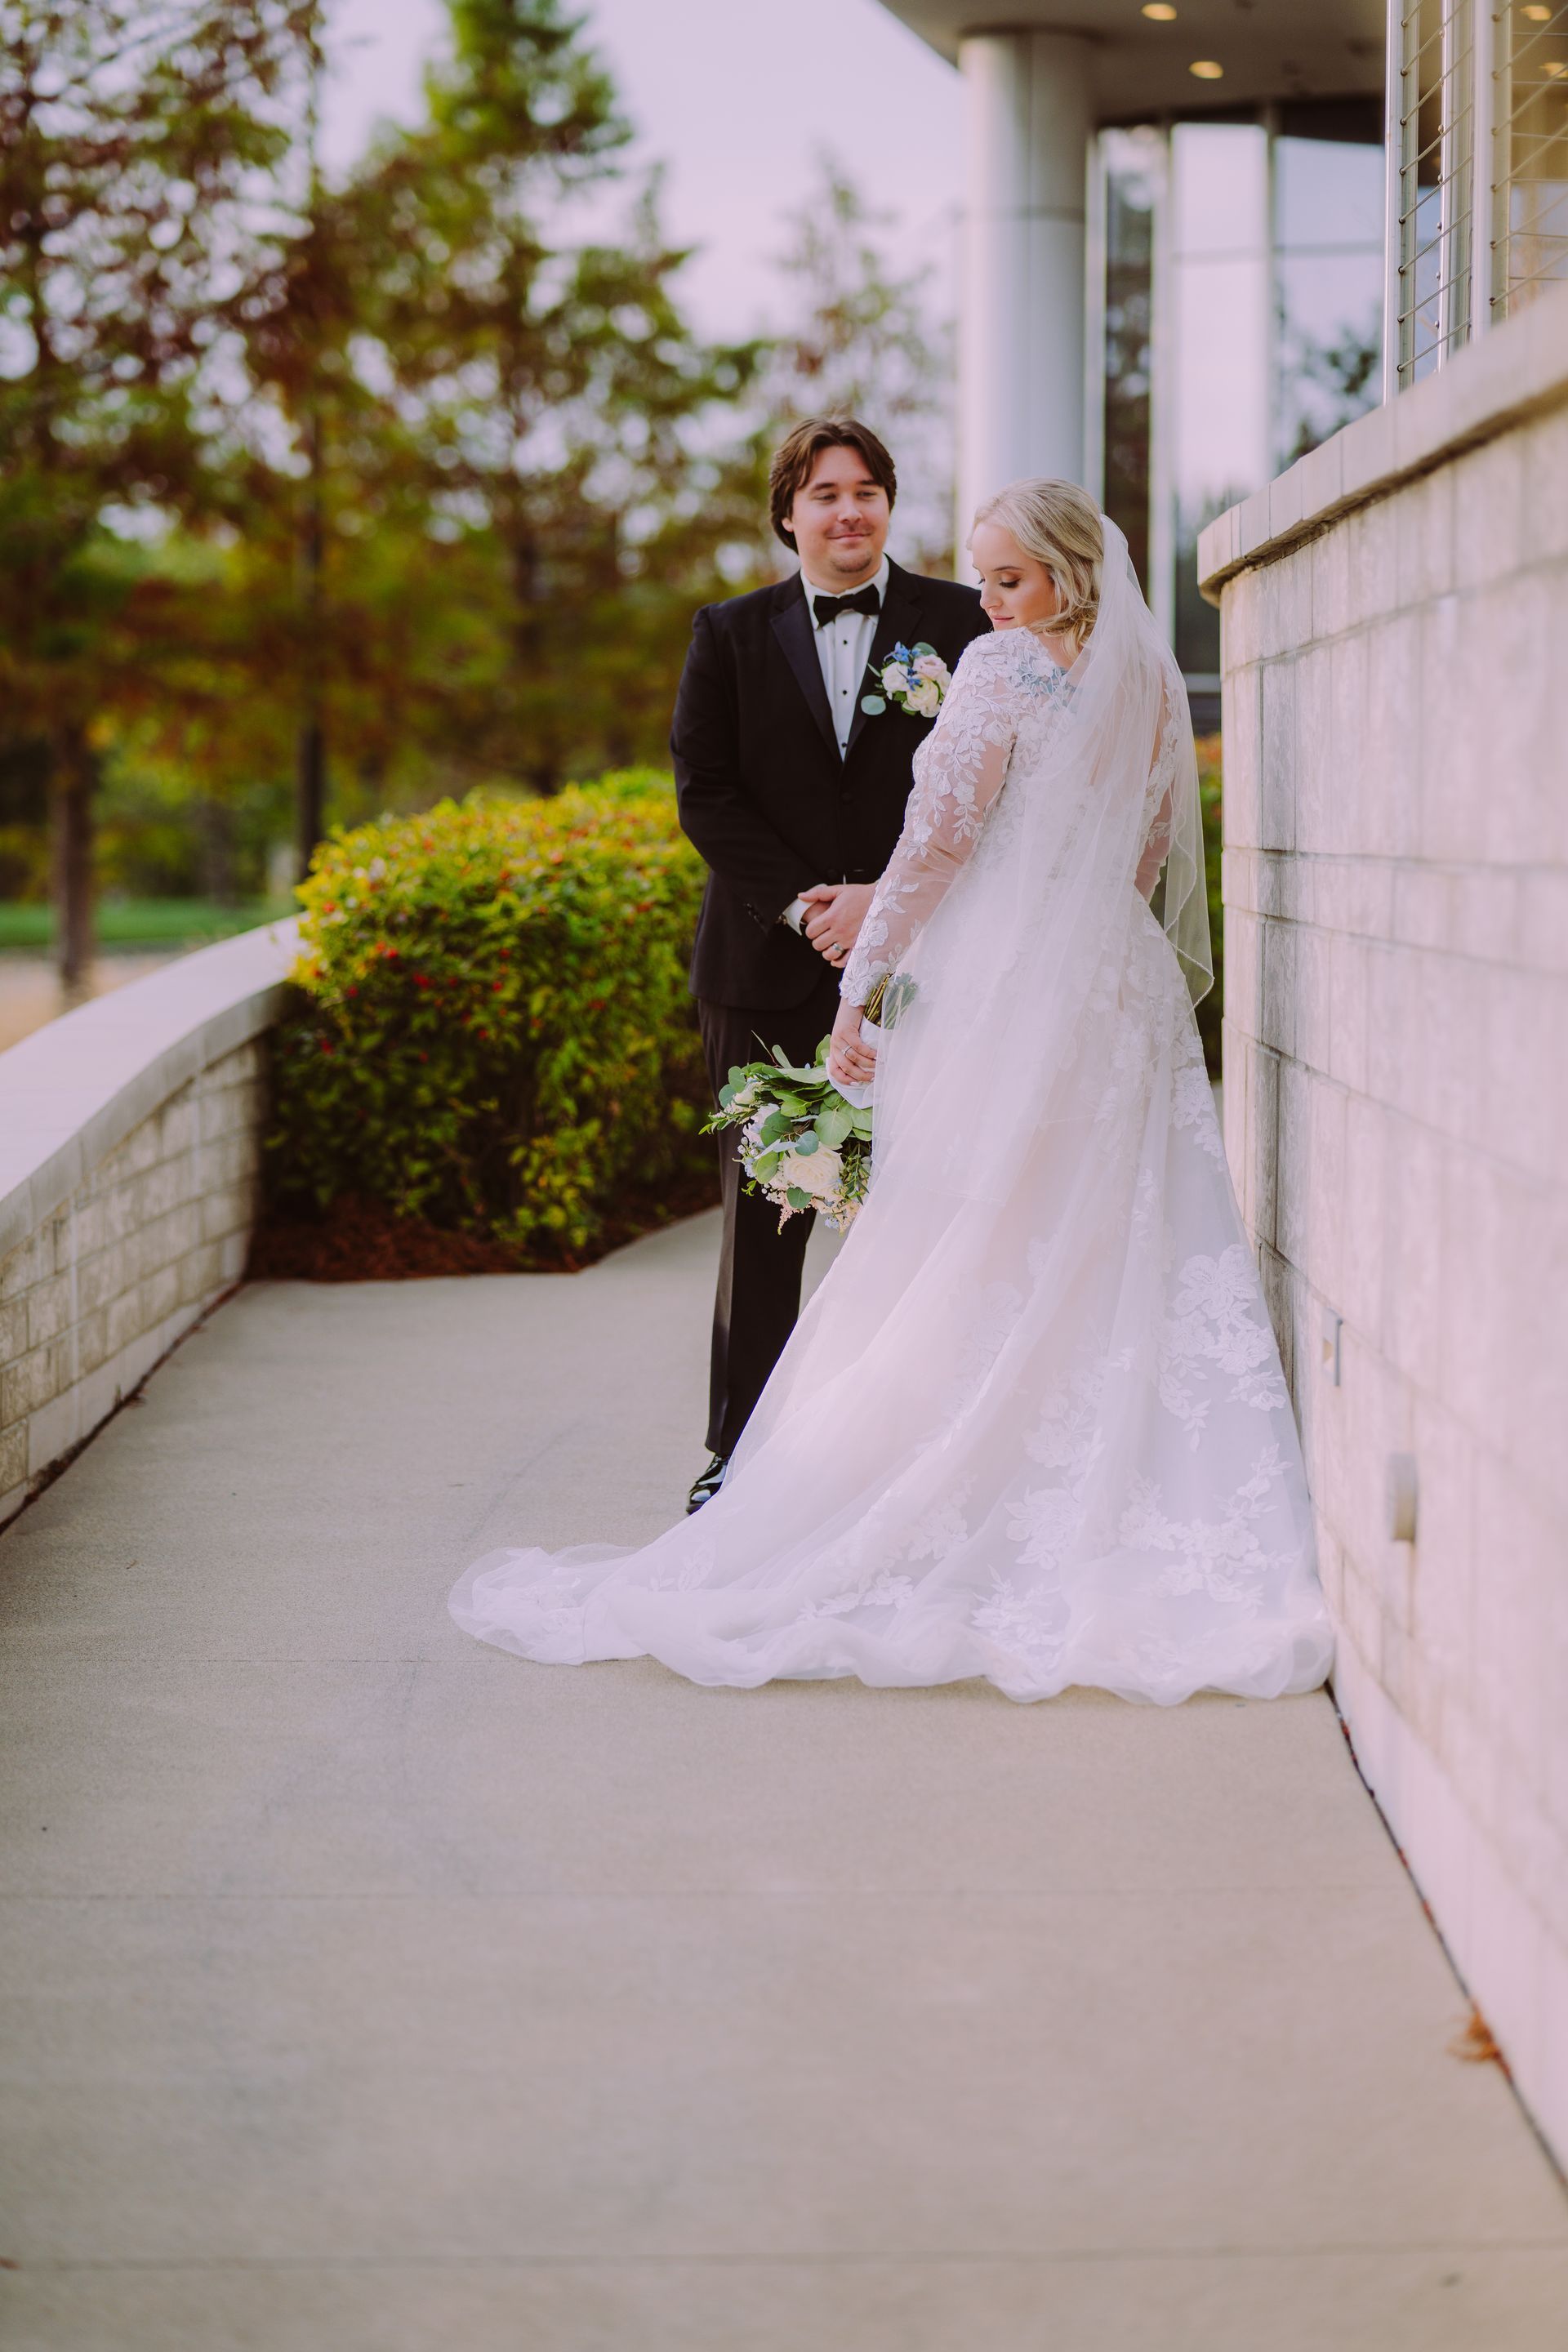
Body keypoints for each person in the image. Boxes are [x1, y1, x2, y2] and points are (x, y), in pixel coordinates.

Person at [449, 481, 1333, 1707]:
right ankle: (1098, 1483)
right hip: (1117, 991)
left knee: (964, 1235)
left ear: (1069, 574)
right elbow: (1145, 857)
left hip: (1012, 983)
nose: (986, 602)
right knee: (1113, 1230)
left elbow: (936, 843)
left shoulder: (995, 672)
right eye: (982, 579)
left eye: (1008, 579)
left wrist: (866, 986)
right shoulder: (1142, 681)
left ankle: (954, 1483)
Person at [667, 417, 991, 1511]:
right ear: (788, 513)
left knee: (926, 1206)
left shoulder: (961, 621)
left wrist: (885, 901)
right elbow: (705, 790)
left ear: (890, 506)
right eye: (824, 495)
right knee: (765, 1218)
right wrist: (810, 903)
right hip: (765, 967)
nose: (848, 512)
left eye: (867, 492)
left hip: (928, 972)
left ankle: (909, 1454)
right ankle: (739, 1459)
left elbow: (992, 784)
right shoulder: (728, 633)